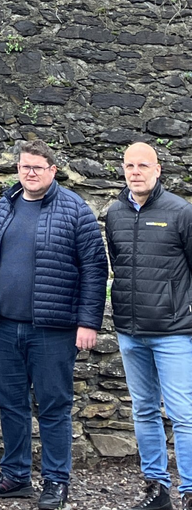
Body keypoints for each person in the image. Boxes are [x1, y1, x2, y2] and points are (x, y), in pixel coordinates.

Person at [0, 139, 108, 510]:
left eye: (37, 167)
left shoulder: (75, 210)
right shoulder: (6, 205)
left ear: (52, 170)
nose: (30, 173)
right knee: (10, 404)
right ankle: (15, 476)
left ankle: (56, 481)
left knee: (53, 406)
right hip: (5, 326)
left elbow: (95, 270)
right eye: (24, 166)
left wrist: (88, 322)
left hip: (53, 328)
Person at [106, 142, 192, 510]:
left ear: (158, 169)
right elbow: (118, 264)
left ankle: (189, 489)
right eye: (129, 165)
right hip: (130, 330)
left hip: (173, 331)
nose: (135, 172)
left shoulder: (180, 211)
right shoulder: (114, 213)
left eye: (143, 165)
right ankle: (156, 488)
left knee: (183, 413)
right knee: (142, 410)